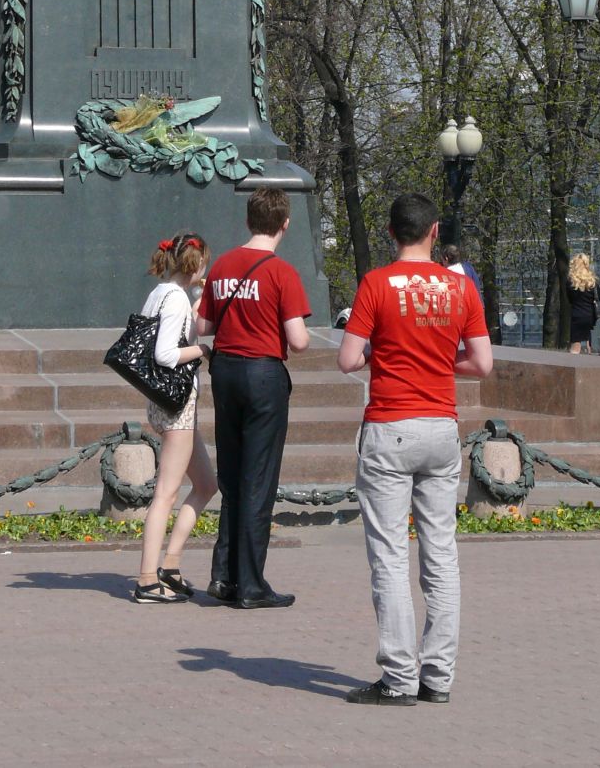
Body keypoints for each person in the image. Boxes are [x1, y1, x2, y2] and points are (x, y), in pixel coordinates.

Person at [338, 193, 493, 707]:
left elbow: (347, 359)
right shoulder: (460, 286)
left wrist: (386, 355)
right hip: (441, 428)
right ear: (434, 231)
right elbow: (482, 364)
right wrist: (438, 363)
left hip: (390, 427)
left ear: (390, 232)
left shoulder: (376, 284)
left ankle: (399, 678)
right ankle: (438, 677)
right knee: (441, 554)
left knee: (389, 556)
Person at [195, 186, 311, 608]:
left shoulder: (224, 264)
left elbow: (204, 326)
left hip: (224, 372)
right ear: (285, 224)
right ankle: (252, 585)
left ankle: (223, 577)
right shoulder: (282, 272)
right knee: (258, 480)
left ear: (248, 221)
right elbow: (297, 342)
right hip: (263, 375)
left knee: (232, 475)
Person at [132, 232, 218, 603]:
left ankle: (171, 565)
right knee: (165, 495)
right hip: (177, 406)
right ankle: (148, 580)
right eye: (206, 262)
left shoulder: (162, 292)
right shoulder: (175, 300)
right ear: (196, 263)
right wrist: (202, 350)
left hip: (164, 402)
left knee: (206, 485)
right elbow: (167, 354)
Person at [566, 253, 600, 354]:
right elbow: (599, 298)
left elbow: (569, 300)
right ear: (587, 264)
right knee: (591, 347)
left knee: (575, 348)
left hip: (576, 315)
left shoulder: (570, 282)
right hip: (591, 316)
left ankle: (574, 366)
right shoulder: (593, 282)